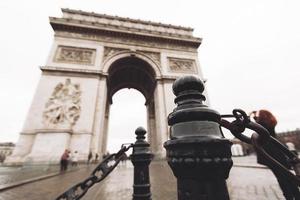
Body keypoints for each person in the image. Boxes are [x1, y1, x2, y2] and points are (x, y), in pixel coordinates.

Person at [251, 110, 300, 200]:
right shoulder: (271, 122)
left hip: (271, 152)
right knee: (287, 175)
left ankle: (289, 196)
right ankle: (296, 195)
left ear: (262, 116)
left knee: (281, 177)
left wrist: (252, 115)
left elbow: (256, 125)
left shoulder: (262, 124)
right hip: (277, 151)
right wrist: (255, 116)